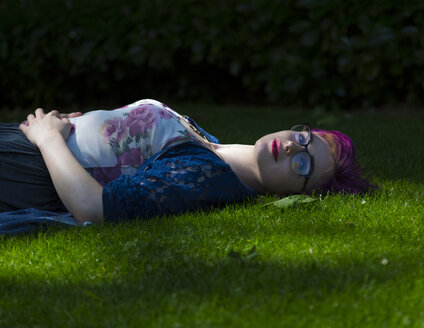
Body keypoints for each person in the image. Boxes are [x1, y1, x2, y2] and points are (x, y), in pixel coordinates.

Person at [0, 99, 373, 231]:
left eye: (304, 165)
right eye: (305, 139)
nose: (293, 148)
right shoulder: (208, 143)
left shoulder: (205, 176)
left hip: (24, 169)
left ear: (296, 193)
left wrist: (50, 140)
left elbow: (95, 209)